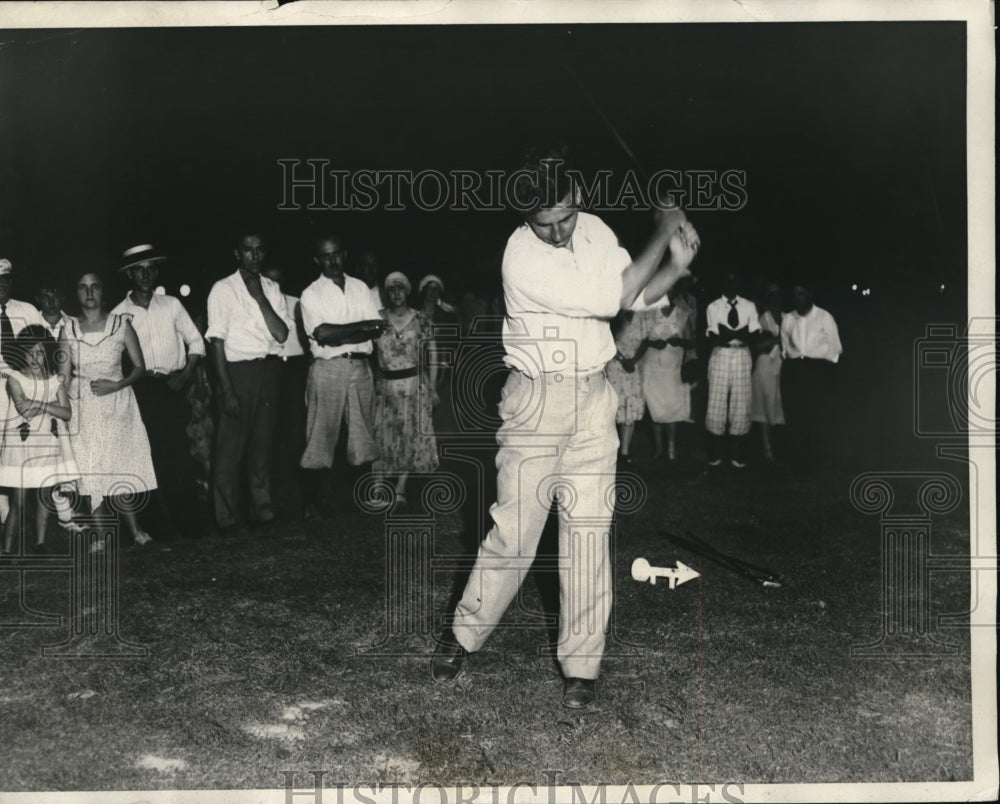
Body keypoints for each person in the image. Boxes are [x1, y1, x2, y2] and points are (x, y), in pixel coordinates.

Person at [431, 147, 700, 708]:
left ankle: (583, 665)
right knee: (515, 535)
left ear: (577, 196)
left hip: (594, 396)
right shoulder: (519, 255)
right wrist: (665, 222)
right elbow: (611, 296)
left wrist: (674, 262)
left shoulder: (598, 230)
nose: (555, 233)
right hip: (535, 405)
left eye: (563, 218)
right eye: (542, 224)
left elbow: (636, 293)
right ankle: (463, 633)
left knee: (588, 534)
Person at [112, 243, 206, 539]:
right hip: (141, 392)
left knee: (178, 455)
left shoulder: (173, 305)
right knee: (147, 457)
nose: (145, 275)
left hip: (172, 386)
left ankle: (189, 524)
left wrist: (187, 374)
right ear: (129, 275)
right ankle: (155, 526)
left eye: (150, 269)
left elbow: (197, 342)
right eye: (139, 270)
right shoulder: (118, 314)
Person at [60, 272, 156, 547]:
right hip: (83, 408)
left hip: (117, 404)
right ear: (77, 293)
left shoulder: (121, 324)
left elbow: (139, 368)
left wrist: (117, 385)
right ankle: (101, 537)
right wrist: (63, 409)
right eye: (82, 287)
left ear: (103, 291)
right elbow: (64, 376)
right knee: (91, 472)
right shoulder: (68, 329)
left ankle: (137, 532)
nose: (89, 293)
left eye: (95, 287)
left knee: (119, 467)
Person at [206, 232, 291, 532]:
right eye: (247, 250)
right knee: (230, 450)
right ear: (237, 254)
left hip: (269, 371)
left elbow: (281, 334)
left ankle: (263, 511)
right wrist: (227, 388)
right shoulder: (222, 289)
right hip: (238, 372)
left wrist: (258, 296)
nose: (254, 256)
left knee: (262, 446)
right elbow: (216, 343)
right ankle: (226, 518)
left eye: (259, 250)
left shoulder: (272, 287)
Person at [298, 235, 384, 520]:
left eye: (336, 254)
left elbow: (376, 328)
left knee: (362, 435)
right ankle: (313, 502)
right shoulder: (311, 293)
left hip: (360, 366)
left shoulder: (361, 287)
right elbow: (323, 335)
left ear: (344, 254)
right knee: (320, 436)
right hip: (327, 369)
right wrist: (358, 328)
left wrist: (342, 332)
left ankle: (359, 501)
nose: (332, 260)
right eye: (325, 256)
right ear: (316, 260)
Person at [0, 326, 80, 555]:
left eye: (40, 352)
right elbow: (23, 409)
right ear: (21, 353)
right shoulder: (14, 378)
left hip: (47, 442)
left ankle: (40, 544)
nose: (35, 358)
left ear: (47, 353)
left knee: (45, 495)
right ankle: (6, 549)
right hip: (21, 446)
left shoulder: (56, 380)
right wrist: (50, 408)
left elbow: (67, 413)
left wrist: (42, 406)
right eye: (29, 352)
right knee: (20, 499)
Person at [373, 272, 439, 506]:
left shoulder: (421, 319)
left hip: (414, 386)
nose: (397, 293)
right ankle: (378, 489)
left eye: (401, 288)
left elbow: (433, 353)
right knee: (381, 435)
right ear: (386, 293)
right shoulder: (378, 319)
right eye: (392, 289)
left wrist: (432, 387)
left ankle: (400, 490)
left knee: (409, 436)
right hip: (385, 387)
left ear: (408, 291)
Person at [780, 283, 843, 466]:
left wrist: (826, 374)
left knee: (816, 414)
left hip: (817, 370)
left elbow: (835, 349)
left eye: (801, 294)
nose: (797, 298)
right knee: (796, 414)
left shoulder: (824, 317)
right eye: (794, 294)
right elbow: (785, 348)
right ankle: (799, 458)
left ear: (810, 295)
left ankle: (817, 458)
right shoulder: (788, 319)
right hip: (794, 370)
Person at [262, 266, 309, 511]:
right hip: (270, 369)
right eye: (269, 280)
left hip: (295, 370)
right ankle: (275, 498)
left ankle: (301, 499)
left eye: (278, 280)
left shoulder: (297, 303)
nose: (274, 284)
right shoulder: (258, 305)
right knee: (270, 434)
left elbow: (307, 340)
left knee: (295, 432)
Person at [703, 272, 761, 469]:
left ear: (740, 283)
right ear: (722, 283)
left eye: (735, 280)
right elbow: (715, 338)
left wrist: (727, 332)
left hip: (742, 356)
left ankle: (737, 455)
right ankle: (716, 455)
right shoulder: (713, 307)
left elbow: (753, 336)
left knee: (741, 403)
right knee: (716, 402)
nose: (731, 284)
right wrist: (740, 333)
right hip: (720, 355)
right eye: (728, 280)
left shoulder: (749, 306)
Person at [639, 275, 697, 462]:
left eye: (671, 292)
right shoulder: (648, 314)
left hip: (673, 369)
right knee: (655, 408)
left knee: (672, 409)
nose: (667, 295)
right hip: (652, 367)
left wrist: (678, 340)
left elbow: (691, 341)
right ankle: (658, 449)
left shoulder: (682, 314)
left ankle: (671, 449)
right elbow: (639, 340)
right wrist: (651, 344)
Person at [606, 310, 647, 465]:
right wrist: (623, 360)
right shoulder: (615, 315)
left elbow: (646, 340)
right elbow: (607, 340)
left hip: (634, 366)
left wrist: (633, 360)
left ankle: (625, 452)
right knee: (615, 408)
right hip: (615, 366)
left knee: (630, 407)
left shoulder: (641, 316)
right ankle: (611, 452)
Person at [750, 283, 785, 462]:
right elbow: (757, 346)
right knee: (764, 403)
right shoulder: (763, 319)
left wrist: (777, 340)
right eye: (772, 295)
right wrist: (777, 339)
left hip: (783, 365)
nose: (776, 299)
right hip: (765, 365)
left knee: (779, 404)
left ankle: (780, 446)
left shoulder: (788, 317)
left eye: (778, 295)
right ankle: (766, 446)